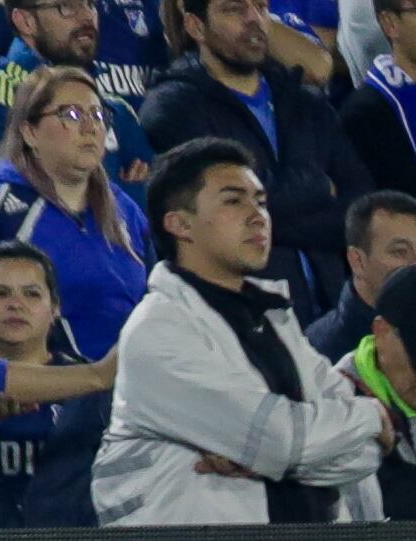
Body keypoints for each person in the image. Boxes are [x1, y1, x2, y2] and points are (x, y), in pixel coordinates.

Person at [91, 135, 389, 520]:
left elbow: (366, 454)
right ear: (180, 224)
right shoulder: (159, 329)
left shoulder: (274, 318)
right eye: (234, 200)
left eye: (261, 202)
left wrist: (271, 459)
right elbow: (281, 439)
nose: (257, 215)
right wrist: (371, 416)